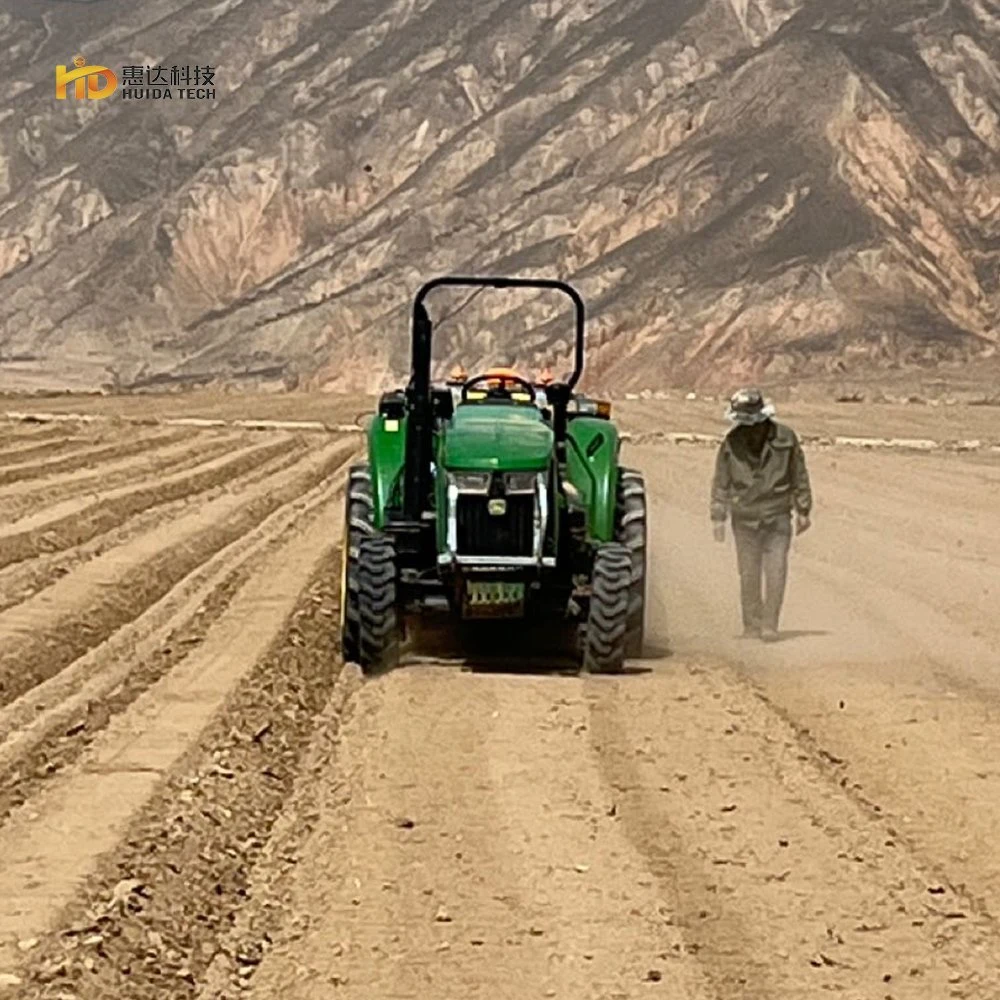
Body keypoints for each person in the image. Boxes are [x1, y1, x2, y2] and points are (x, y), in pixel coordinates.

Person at [710, 387, 812, 642]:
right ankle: (751, 626)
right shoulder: (731, 442)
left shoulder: (786, 438)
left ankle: (770, 625)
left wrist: (803, 509)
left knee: (776, 571)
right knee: (748, 573)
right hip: (743, 516)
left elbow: (798, 473)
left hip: (777, 514)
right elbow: (721, 480)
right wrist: (718, 516)